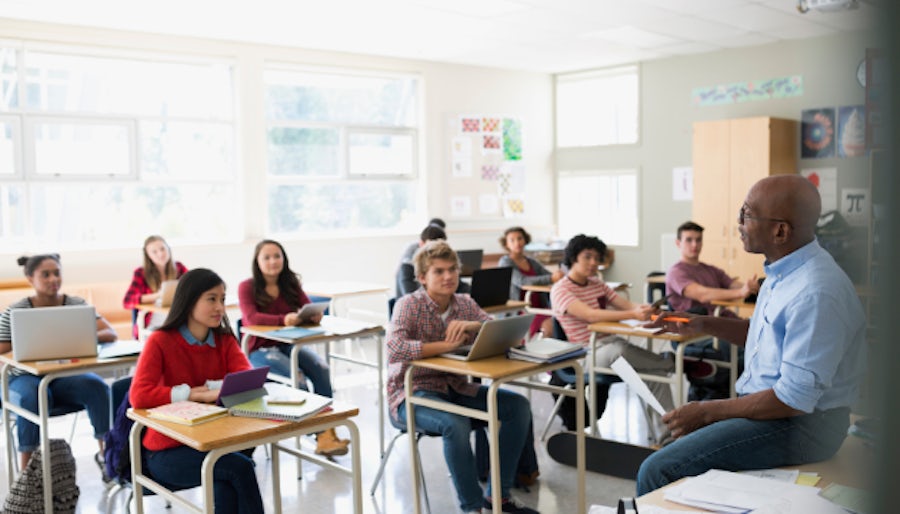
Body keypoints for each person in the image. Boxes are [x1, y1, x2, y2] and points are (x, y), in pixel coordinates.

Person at [636, 175, 866, 495]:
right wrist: (703, 323)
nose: (738, 223)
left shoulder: (816, 291)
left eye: (747, 214)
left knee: (658, 470)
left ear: (780, 230)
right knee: (679, 459)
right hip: (777, 414)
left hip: (802, 427)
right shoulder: (782, 270)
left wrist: (705, 411)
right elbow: (765, 336)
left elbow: (793, 399)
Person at [387, 240, 539, 514]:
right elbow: (395, 348)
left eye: (452, 270)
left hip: (456, 387)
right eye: (439, 272)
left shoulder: (465, 303)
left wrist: (474, 325)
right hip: (412, 395)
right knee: (454, 424)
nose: (448, 277)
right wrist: (443, 348)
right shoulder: (408, 305)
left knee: (518, 407)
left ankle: (497, 499)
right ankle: (472, 508)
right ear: (422, 278)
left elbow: (502, 333)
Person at [550, 235, 715, 441]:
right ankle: (672, 363)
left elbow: (625, 305)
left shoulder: (596, 284)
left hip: (611, 346)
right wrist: (632, 315)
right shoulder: (560, 290)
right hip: (585, 354)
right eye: (587, 257)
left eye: (597, 258)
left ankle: (672, 436)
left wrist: (643, 309)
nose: (594, 263)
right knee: (619, 350)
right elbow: (590, 315)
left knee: (654, 375)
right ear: (573, 257)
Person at [129, 268, 264, 513]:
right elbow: (139, 395)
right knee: (239, 467)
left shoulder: (224, 340)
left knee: (230, 472)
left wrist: (211, 389)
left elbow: (248, 381)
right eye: (211, 299)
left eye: (222, 299)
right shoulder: (160, 341)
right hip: (168, 451)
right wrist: (190, 394)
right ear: (189, 299)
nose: (220, 307)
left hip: (214, 439)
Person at [0, 254, 115, 473]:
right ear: (30, 278)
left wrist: (82, 335)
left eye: (57, 273)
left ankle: (107, 459)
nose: (53, 279)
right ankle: (28, 475)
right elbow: (1, 353)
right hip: (23, 378)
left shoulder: (76, 305)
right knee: (31, 396)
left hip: (63, 376)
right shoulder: (15, 312)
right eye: (46, 274)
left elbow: (109, 332)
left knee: (97, 387)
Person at [237, 239, 348, 456]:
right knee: (297, 377)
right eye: (266, 257)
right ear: (257, 262)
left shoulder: (290, 284)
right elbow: (250, 318)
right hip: (260, 350)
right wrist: (283, 319)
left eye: (277, 256)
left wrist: (313, 316)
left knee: (322, 368)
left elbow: (305, 307)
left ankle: (325, 432)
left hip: (290, 344)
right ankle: (315, 432)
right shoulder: (247, 287)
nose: (273, 261)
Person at [666, 221, 759, 316]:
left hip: (719, 318)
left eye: (698, 240)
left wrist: (753, 287)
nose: (694, 244)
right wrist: (740, 292)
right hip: (695, 324)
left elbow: (732, 284)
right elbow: (702, 295)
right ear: (678, 243)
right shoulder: (676, 272)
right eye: (689, 240)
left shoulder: (711, 270)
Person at [497, 226, 563, 336]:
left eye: (520, 238)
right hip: (520, 310)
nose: (517, 242)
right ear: (506, 244)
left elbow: (549, 275)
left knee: (563, 319)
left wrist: (558, 276)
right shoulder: (505, 262)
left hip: (540, 307)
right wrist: (551, 278)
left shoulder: (531, 261)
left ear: (525, 240)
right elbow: (523, 281)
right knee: (549, 327)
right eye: (512, 240)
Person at [122, 235, 188, 339]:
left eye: (162, 249)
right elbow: (127, 301)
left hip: (177, 321)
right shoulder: (141, 273)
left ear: (168, 249)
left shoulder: (179, 268)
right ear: (148, 255)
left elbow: (194, 286)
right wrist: (158, 295)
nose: (160, 254)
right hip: (153, 325)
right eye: (154, 252)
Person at [395, 223, 470, 297]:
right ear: (421, 244)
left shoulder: (445, 263)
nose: (436, 249)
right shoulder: (407, 266)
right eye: (438, 271)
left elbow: (460, 286)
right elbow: (410, 296)